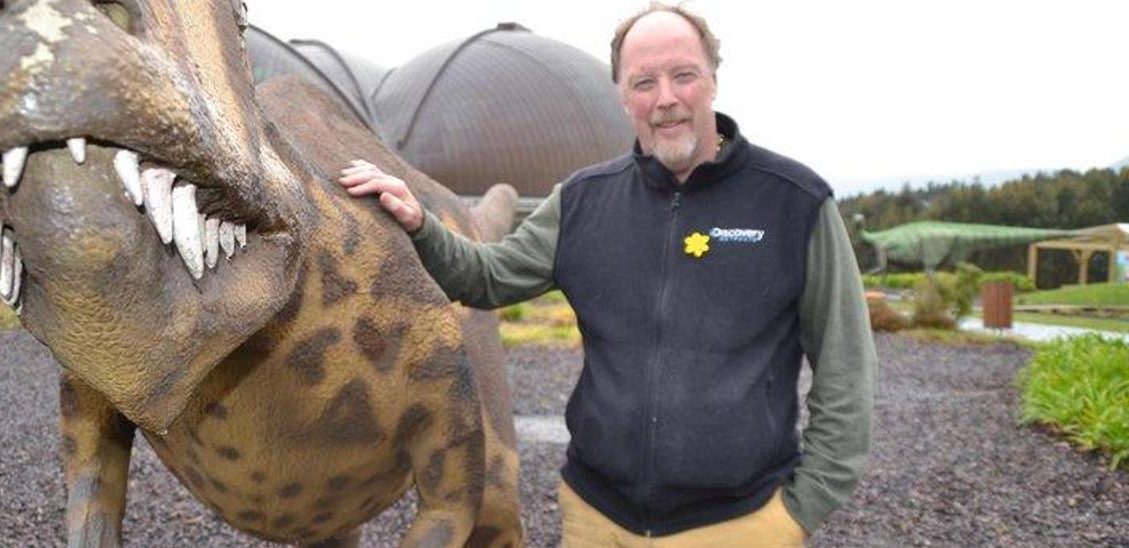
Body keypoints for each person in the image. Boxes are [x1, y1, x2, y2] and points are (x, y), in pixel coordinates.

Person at [339, 4, 875, 546]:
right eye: (644, 82)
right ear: (622, 95)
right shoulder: (582, 201)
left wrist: (801, 509)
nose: (665, 98)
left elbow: (846, 362)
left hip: (740, 524)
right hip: (597, 520)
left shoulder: (793, 202)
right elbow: (484, 276)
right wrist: (420, 222)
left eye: (682, 75)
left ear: (713, 79)